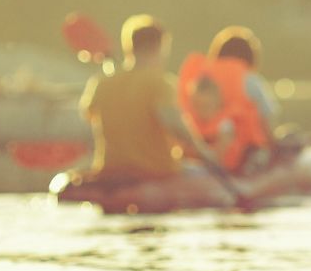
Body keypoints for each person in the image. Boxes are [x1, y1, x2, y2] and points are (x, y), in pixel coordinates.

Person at [78, 15, 226, 185]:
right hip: (156, 172)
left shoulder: (101, 83)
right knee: (205, 175)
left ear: (129, 46)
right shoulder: (160, 83)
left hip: (110, 171)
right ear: (161, 47)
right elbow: (176, 127)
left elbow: (88, 115)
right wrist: (206, 154)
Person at [177, 26, 282, 174]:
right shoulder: (250, 78)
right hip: (243, 158)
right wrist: (276, 148)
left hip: (199, 152)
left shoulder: (198, 79)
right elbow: (267, 122)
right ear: (250, 57)